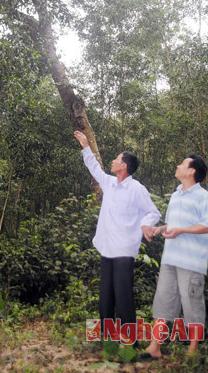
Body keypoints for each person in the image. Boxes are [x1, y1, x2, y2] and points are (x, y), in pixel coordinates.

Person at [74, 131, 161, 339]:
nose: (113, 161)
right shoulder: (109, 183)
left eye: (116, 159)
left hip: (124, 251)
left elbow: (153, 212)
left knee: (123, 298)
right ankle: (106, 338)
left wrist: (145, 225)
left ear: (124, 166)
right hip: (107, 249)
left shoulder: (136, 189)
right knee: (105, 298)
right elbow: (94, 168)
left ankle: (130, 342)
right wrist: (85, 146)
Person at [140, 154, 208, 361]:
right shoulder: (176, 195)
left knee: (192, 304)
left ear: (191, 171)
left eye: (182, 163)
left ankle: (192, 351)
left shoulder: (203, 197)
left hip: (191, 261)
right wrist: (159, 230)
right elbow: (174, 226)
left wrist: (181, 230)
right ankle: (154, 348)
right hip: (169, 258)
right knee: (163, 300)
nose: (177, 165)